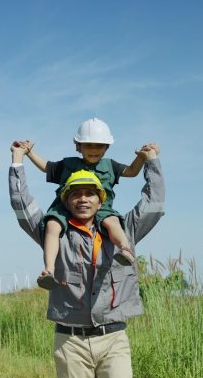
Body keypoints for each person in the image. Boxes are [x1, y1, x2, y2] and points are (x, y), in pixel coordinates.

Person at [8, 141, 163, 378]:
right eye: (75, 194)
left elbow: (155, 204)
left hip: (113, 341)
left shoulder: (124, 230)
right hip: (70, 343)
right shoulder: (54, 232)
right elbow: (22, 206)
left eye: (90, 193)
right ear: (66, 201)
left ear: (101, 201)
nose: (83, 199)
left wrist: (151, 161)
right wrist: (17, 161)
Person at [13, 117, 156, 290]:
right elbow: (46, 167)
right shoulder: (68, 164)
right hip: (66, 207)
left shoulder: (110, 166)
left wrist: (143, 157)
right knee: (51, 225)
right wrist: (28, 153)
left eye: (99, 146)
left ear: (106, 147)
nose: (94, 150)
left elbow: (132, 172)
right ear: (78, 146)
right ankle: (49, 270)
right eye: (88, 145)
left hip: (101, 209)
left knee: (112, 222)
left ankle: (125, 249)